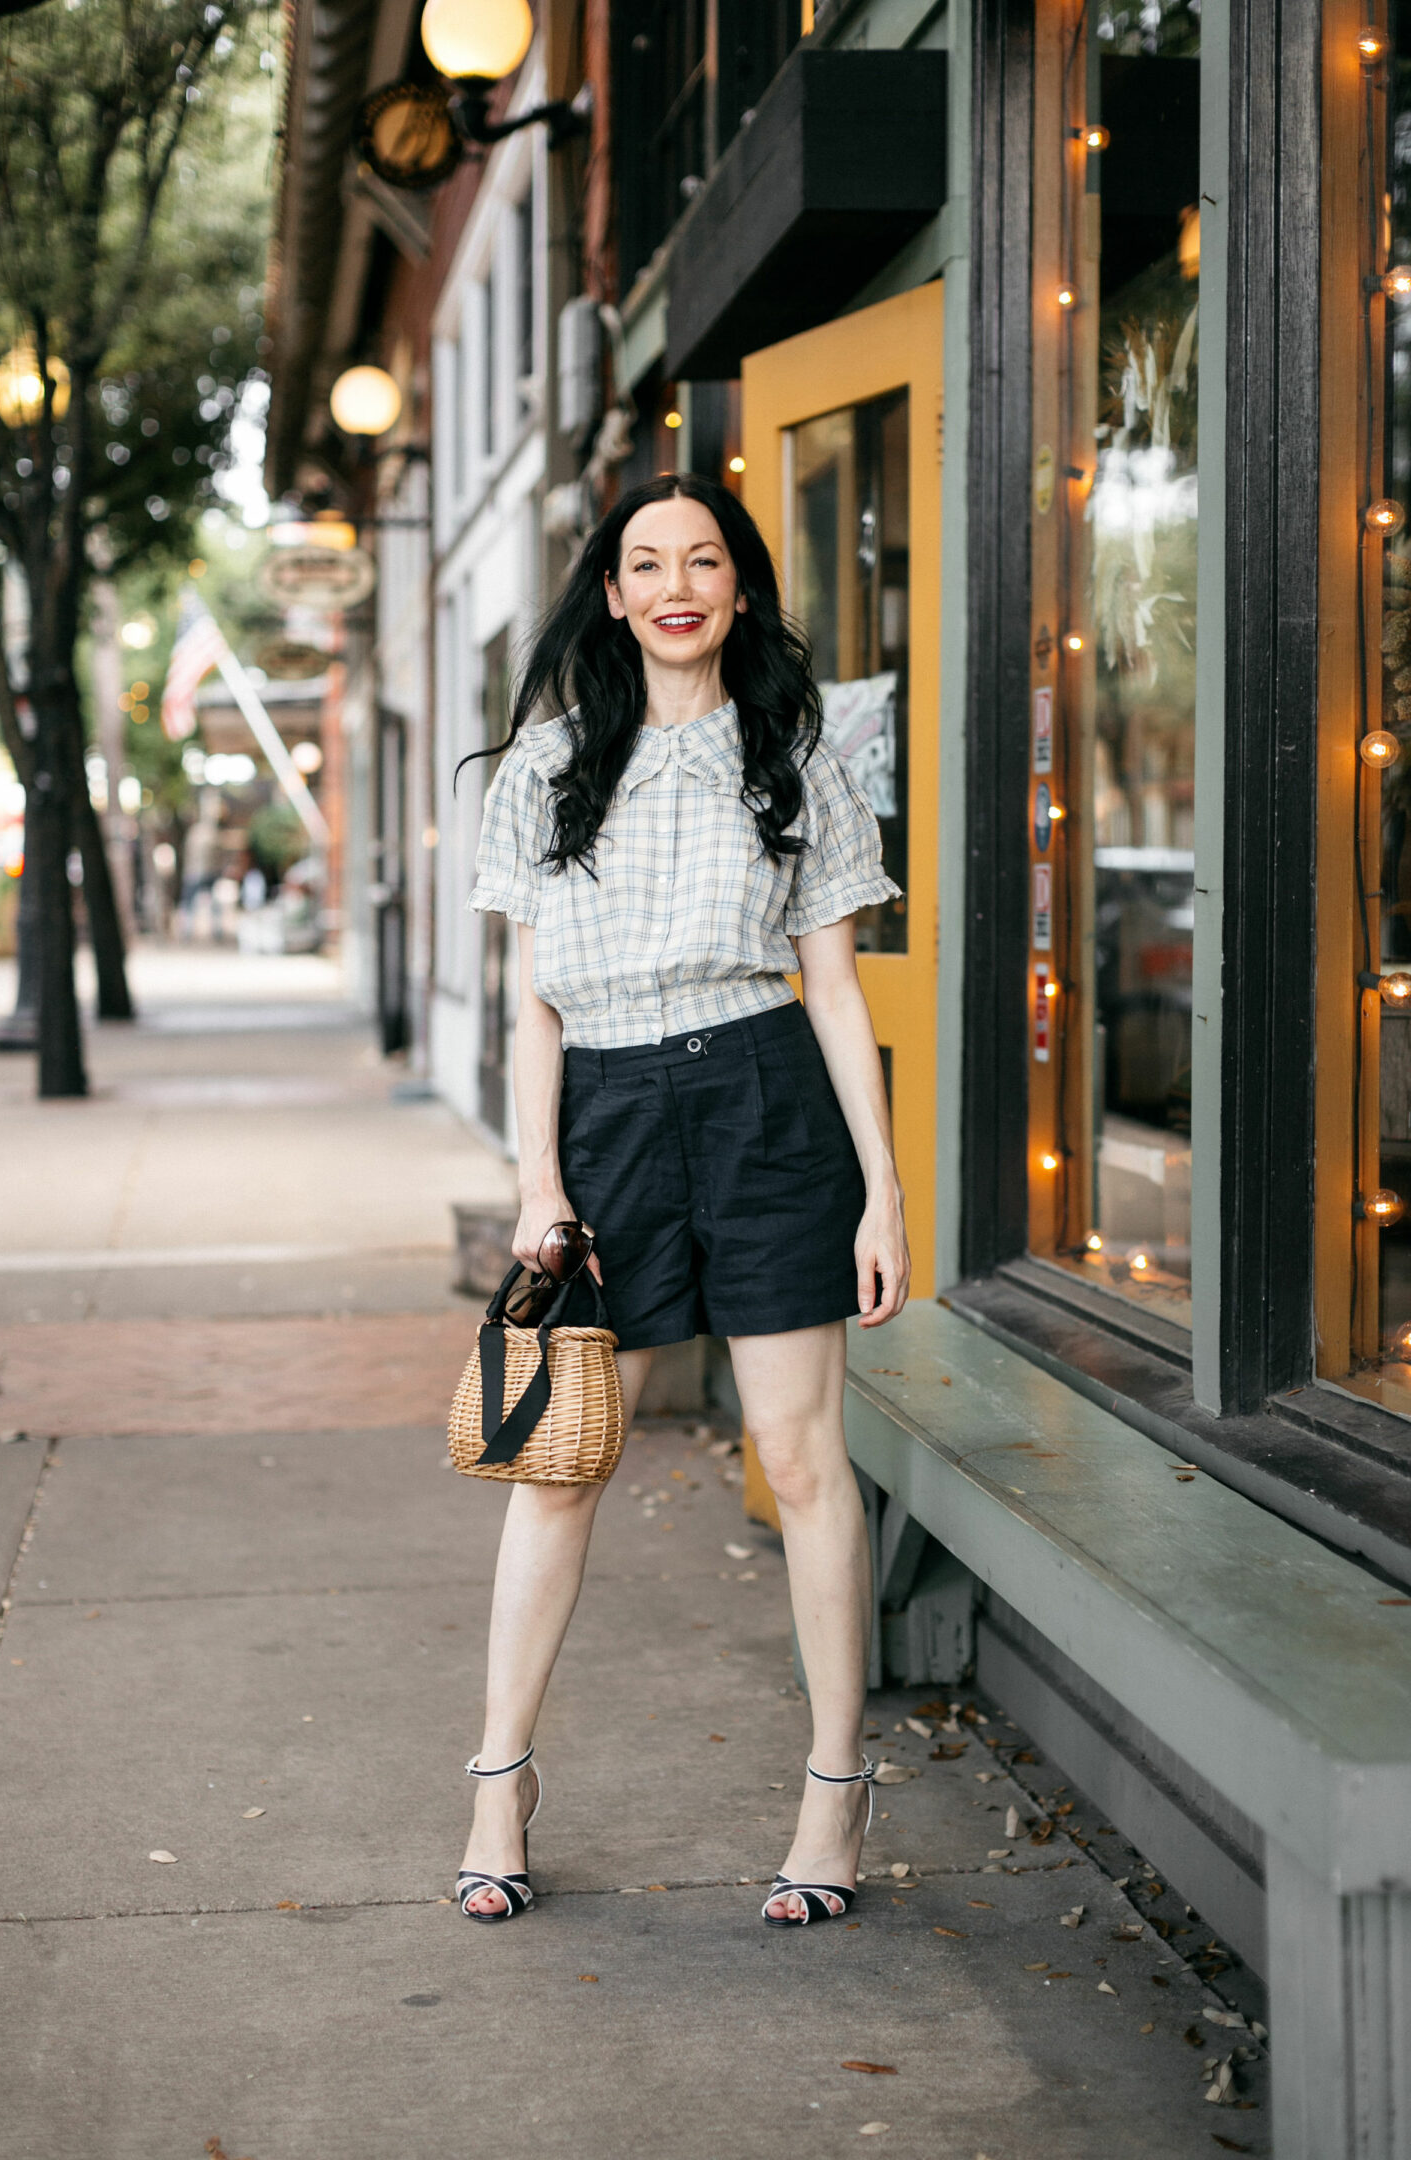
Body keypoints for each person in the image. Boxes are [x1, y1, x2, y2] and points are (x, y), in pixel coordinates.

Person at [457, 473, 910, 1929]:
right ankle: (499, 1779)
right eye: (647, 562)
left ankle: (835, 1792)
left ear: (737, 586)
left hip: (767, 1101)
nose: (675, 584)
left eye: (702, 560)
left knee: (801, 1452)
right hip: (607, 1114)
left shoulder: (797, 744)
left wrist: (883, 1195)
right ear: (612, 593)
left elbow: (834, 987)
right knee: (564, 1462)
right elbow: (532, 1008)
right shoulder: (544, 768)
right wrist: (539, 1180)